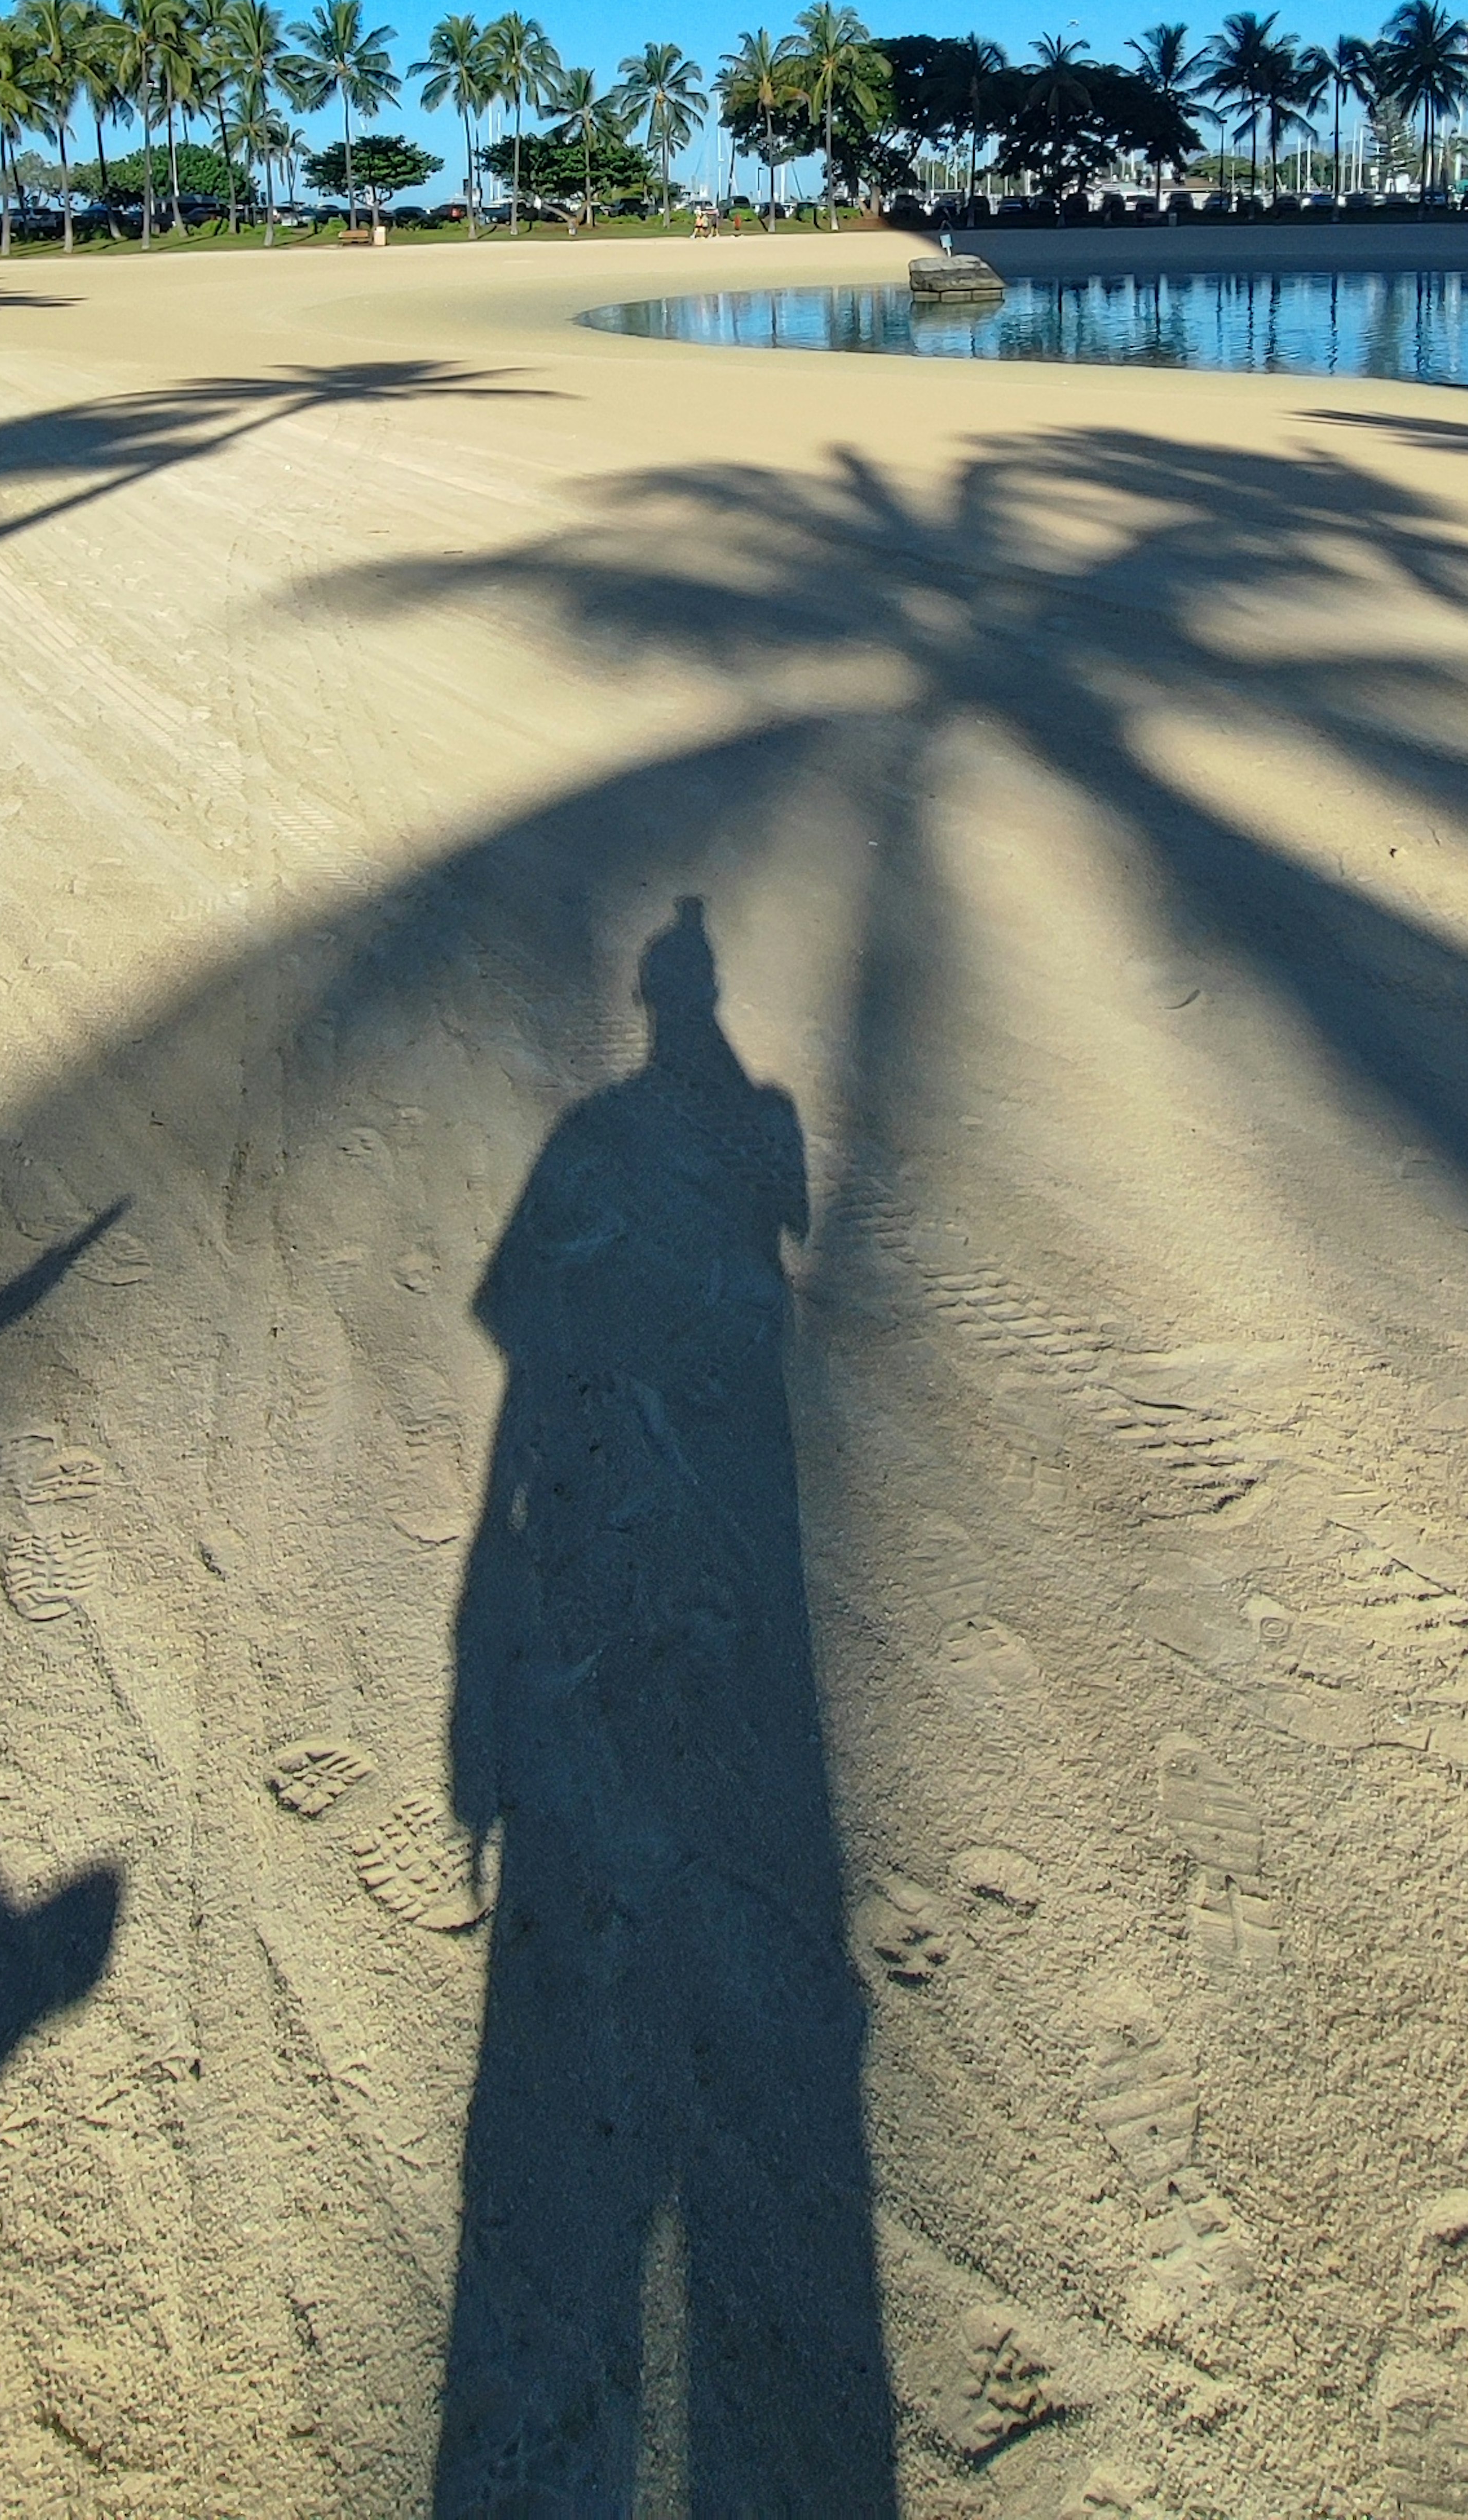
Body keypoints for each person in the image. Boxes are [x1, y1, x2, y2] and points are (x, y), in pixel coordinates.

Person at [434, 903, 894, 2512]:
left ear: (651, 1001)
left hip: (633, 1497)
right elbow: (795, 1219)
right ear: (685, 1002)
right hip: (718, 1487)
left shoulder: (602, 1129)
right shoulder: (743, 1122)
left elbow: (524, 1335)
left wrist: (489, 1594)